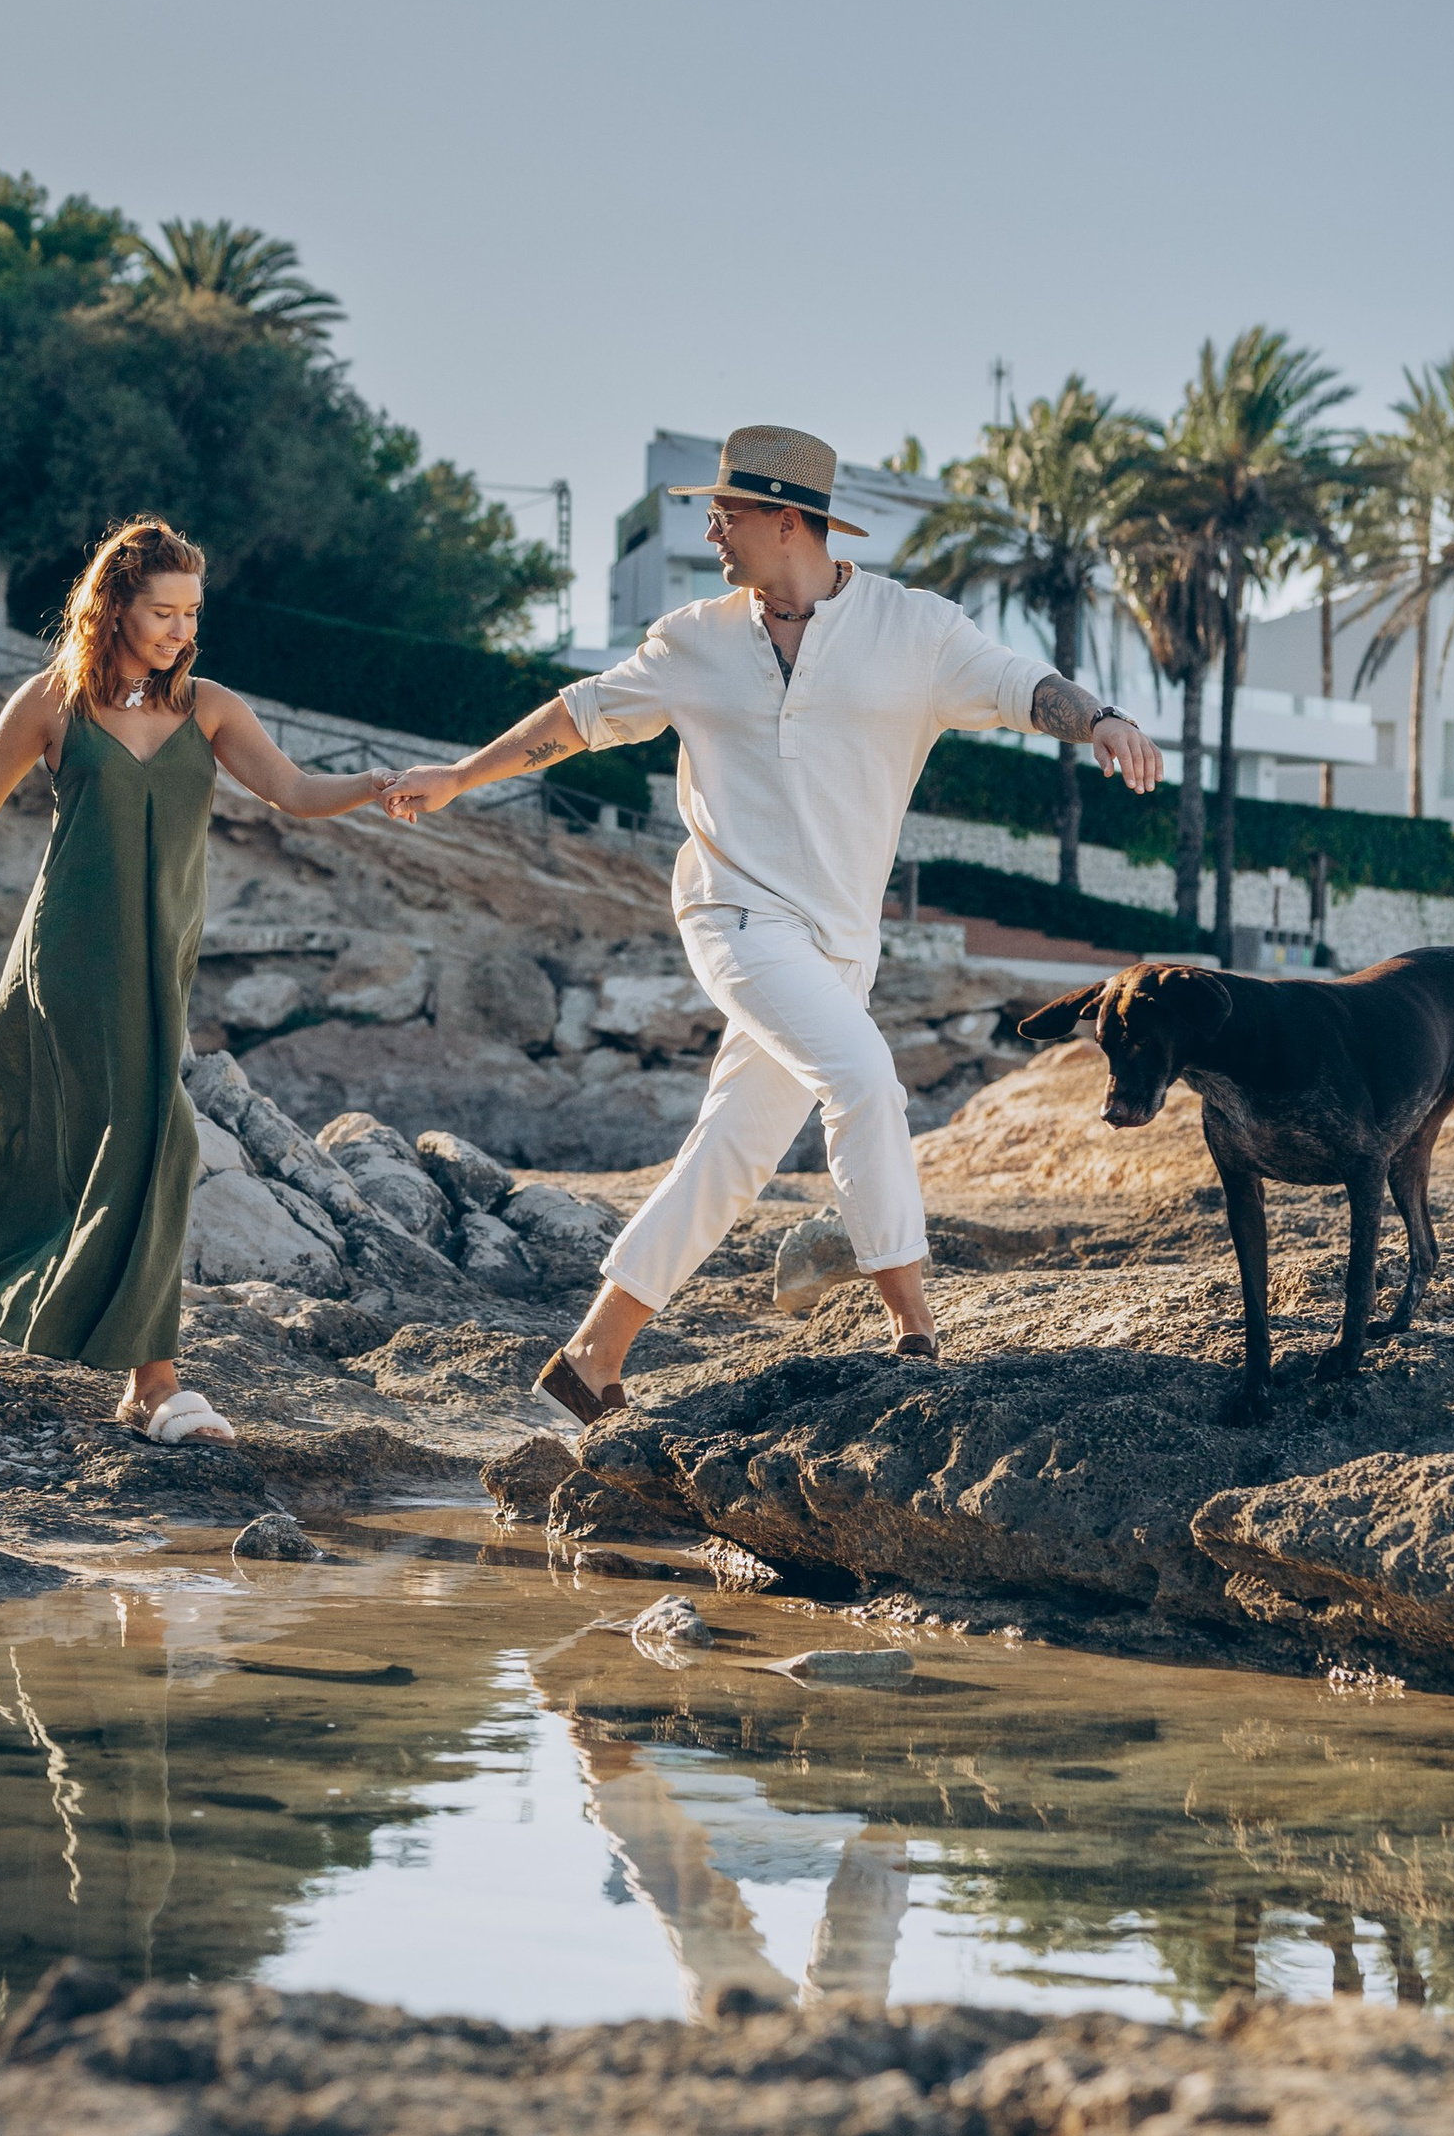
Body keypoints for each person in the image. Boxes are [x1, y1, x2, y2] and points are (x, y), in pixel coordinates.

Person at [385, 421, 1161, 1421]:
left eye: (726, 511)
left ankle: (590, 1356)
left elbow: (1021, 687)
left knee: (733, 1148)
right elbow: (572, 719)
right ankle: (915, 1336)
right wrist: (457, 775)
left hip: (840, 940)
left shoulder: (911, 631)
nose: (711, 528)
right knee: (865, 1080)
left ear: (787, 520)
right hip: (732, 914)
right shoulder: (693, 641)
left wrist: (1102, 720)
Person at [0, 516, 393, 1443]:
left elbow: (293, 791)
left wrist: (378, 783)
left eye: (192, 614)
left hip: (158, 959)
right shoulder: (51, 705)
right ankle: (152, 1384)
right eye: (163, 612)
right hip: (69, 953)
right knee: (160, 1138)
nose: (182, 630)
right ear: (113, 608)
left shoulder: (209, 709)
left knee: (86, 1147)